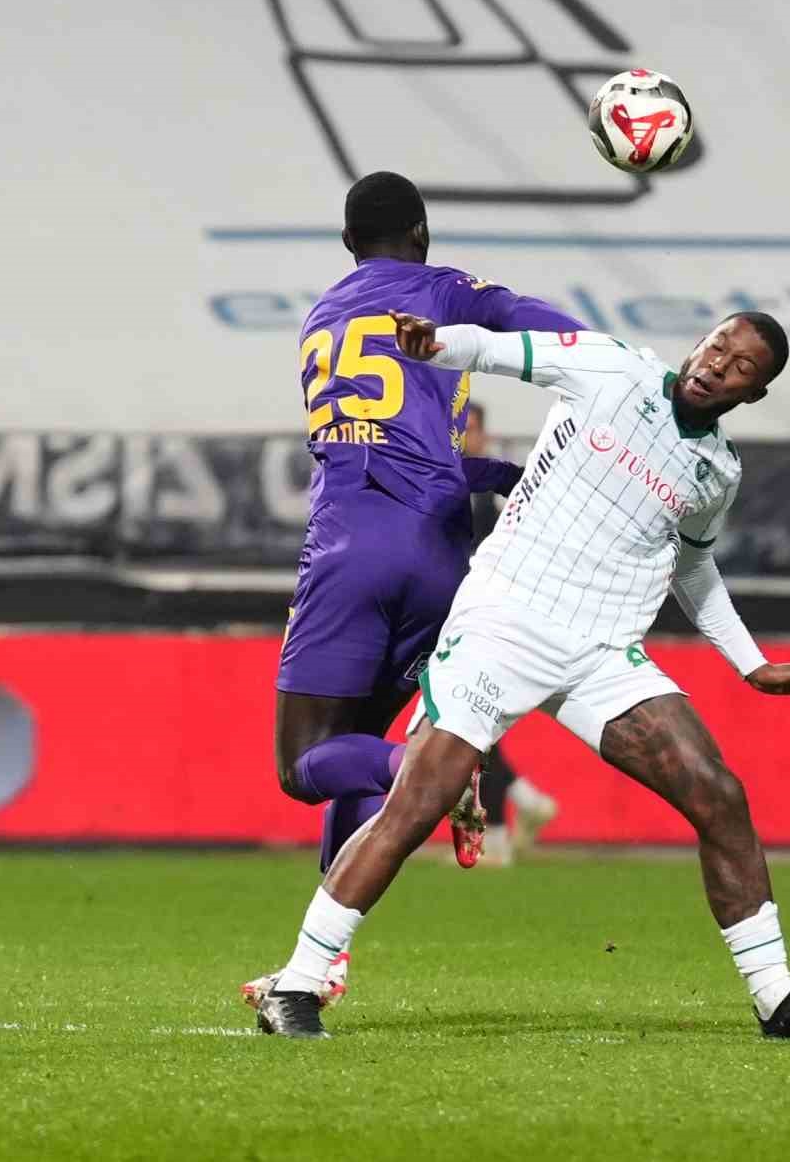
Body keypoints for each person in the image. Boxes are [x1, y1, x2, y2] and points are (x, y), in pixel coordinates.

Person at [254, 309, 790, 1040]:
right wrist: (437, 345)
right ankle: (296, 984)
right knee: (419, 801)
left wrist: (752, 662)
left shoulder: (717, 471)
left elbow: (694, 567)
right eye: (717, 346)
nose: (718, 365)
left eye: (741, 367)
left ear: (755, 393)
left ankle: (776, 998)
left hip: (602, 650)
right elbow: (496, 349)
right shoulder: (612, 367)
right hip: (504, 623)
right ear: (698, 343)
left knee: (719, 793)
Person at [245, 171, 586, 1011]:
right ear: (423, 235)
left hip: (350, 547)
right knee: (353, 750)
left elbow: (374, 445)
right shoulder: (449, 292)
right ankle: (323, 960)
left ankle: (429, 768)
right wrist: (602, 387)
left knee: (304, 764)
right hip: (441, 558)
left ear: (348, 245)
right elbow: (556, 334)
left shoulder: (322, 318)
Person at [463, 403, 560, 864]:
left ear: (484, 435)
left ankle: (504, 826)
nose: (465, 436)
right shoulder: (447, 483)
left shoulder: (495, 493)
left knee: (470, 724)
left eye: (472, 428)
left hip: (484, 619)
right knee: (476, 725)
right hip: (456, 617)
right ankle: (513, 814)